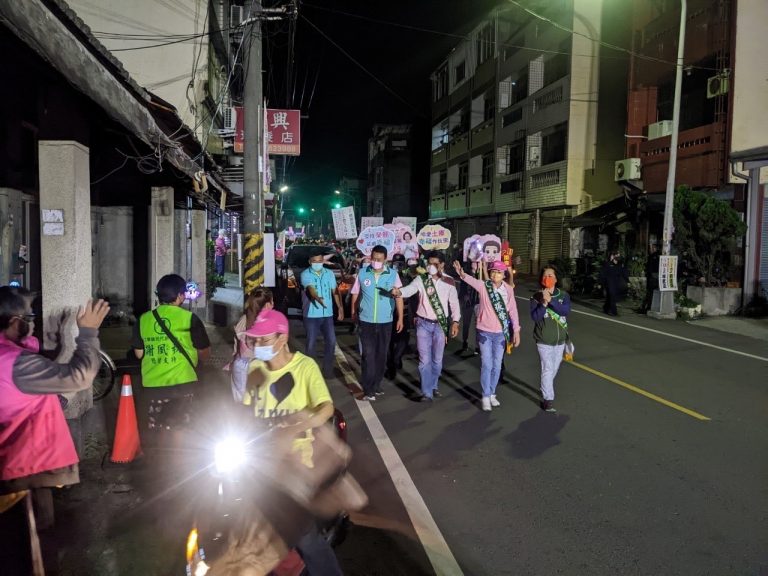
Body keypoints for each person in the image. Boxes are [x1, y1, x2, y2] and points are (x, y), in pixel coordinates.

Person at [0, 288, 108, 574]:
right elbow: (80, 376)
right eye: (30, 316)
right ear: (13, 321)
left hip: (13, 470)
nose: (33, 323)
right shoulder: (17, 365)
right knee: (33, 555)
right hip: (22, 475)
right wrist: (87, 333)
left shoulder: (12, 359)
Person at [241, 309, 342, 576]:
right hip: (259, 463)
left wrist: (300, 424)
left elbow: (326, 408)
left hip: (296, 464)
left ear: (282, 338)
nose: (257, 346)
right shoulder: (255, 367)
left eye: (264, 340)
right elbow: (246, 410)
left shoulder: (305, 367)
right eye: (254, 341)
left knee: (305, 537)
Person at [131, 274, 211, 442]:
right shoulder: (190, 319)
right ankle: (180, 461)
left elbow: (139, 354)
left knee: (158, 429)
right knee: (182, 428)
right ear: (181, 295)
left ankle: (160, 459)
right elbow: (204, 353)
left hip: (154, 386)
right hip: (184, 385)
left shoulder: (143, 320)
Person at [452, 260, 521, 411]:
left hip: (501, 334)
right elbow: (470, 279)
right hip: (484, 332)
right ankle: (485, 395)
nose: (496, 274)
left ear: (504, 274)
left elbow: (513, 311)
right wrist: (461, 273)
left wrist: (516, 331)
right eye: (493, 272)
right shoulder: (484, 286)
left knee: (497, 366)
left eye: (499, 272)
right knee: (487, 364)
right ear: (490, 273)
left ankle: (492, 393)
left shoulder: (508, 290)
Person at [392, 251, 460, 402]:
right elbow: (409, 289)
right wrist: (399, 292)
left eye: (435, 264)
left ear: (442, 265)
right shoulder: (421, 279)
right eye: (429, 264)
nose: (431, 267)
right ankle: (426, 392)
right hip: (423, 324)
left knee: (437, 360)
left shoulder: (449, 282)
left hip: (440, 325)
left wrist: (455, 322)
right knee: (424, 360)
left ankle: (433, 385)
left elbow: (454, 304)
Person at [350, 245, 404, 401]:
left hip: (385, 321)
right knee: (367, 355)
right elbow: (355, 294)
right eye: (373, 259)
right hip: (366, 321)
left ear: (385, 259)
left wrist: (400, 318)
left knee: (381, 355)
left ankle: (376, 383)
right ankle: (369, 390)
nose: (375, 262)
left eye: (379, 260)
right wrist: (354, 312)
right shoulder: (362, 273)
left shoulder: (393, 275)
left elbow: (399, 297)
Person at [530, 267, 571, 413]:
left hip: (559, 341)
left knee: (554, 368)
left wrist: (551, 301)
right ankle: (548, 399)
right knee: (547, 368)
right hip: (543, 340)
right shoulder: (536, 296)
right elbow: (535, 317)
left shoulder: (563, 295)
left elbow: (565, 311)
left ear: (555, 278)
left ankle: (545, 387)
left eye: (551, 275)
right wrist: (544, 303)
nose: (548, 277)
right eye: (545, 275)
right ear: (541, 278)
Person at [300, 253, 343, 379]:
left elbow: (334, 291)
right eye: (314, 261)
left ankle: (327, 370)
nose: (317, 263)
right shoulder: (305, 274)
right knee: (311, 343)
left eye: (320, 261)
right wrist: (316, 297)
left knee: (331, 341)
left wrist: (340, 307)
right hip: (311, 315)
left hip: (327, 314)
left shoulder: (329, 274)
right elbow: (310, 288)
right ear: (310, 261)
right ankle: (311, 372)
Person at [229, 287, 274, 402]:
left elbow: (236, 347)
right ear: (268, 305)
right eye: (272, 301)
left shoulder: (244, 319)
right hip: (262, 367)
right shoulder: (271, 323)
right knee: (262, 403)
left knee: (241, 404)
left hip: (240, 365)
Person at [456, 260, 480, 356]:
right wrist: (464, 295)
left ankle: (478, 346)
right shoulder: (465, 270)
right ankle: (465, 341)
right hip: (468, 302)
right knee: (466, 323)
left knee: (478, 325)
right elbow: (463, 286)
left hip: (478, 302)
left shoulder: (483, 271)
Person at [600, 251, 628, 316]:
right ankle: (613, 311)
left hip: (616, 283)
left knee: (610, 297)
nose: (618, 257)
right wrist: (600, 282)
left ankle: (606, 307)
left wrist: (627, 281)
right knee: (612, 296)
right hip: (609, 282)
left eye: (619, 256)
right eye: (617, 256)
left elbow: (624, 273)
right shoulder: (608, 264)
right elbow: (603, 273)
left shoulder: (620, 265)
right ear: (613, 256)